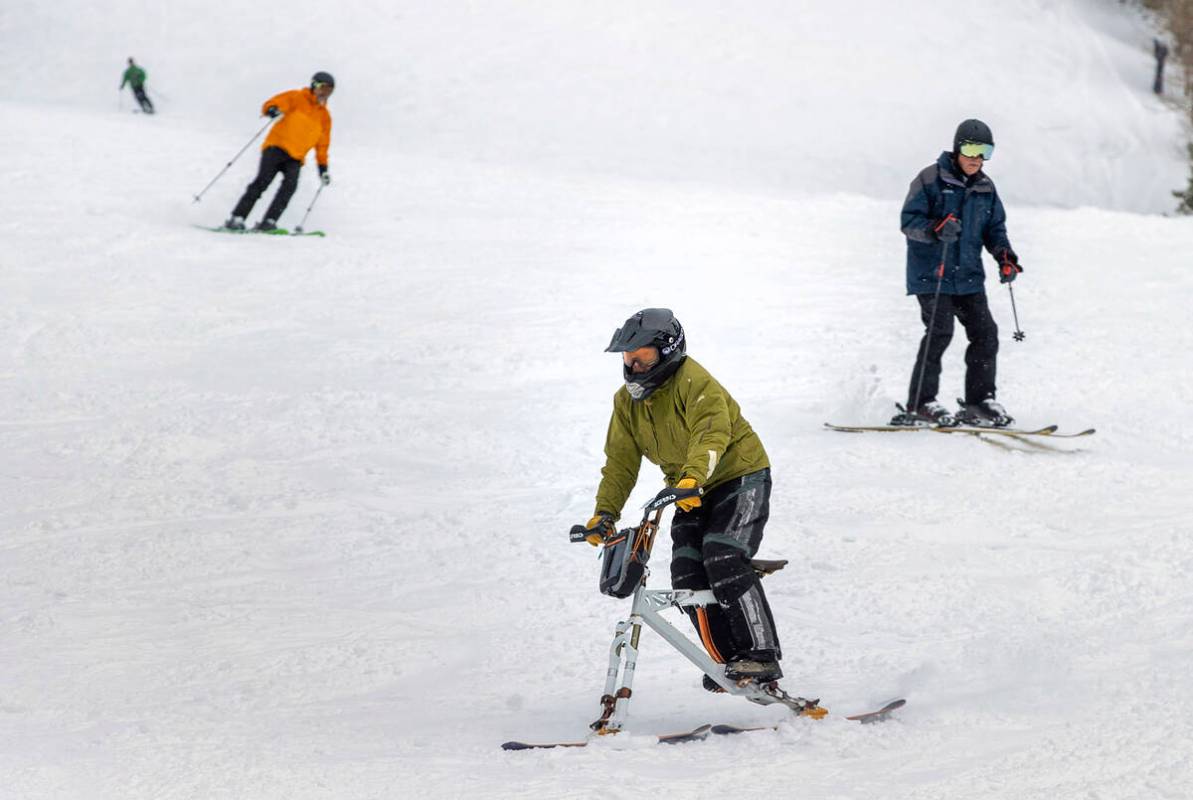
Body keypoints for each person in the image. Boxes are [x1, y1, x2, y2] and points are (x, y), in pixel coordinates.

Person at [577, 308, 784, 689]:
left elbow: (711, 434)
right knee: (686, 572)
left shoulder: (695, 382)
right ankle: (726, 662)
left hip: (738, 476)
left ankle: (760, 656)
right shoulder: (626, 403)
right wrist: (604, 514)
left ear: (667, 350)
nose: (634, 365)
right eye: (628, 358)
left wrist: (693, 477)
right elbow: (620, 463)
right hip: (689, 488)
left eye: (642, 356)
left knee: (722, 553)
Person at [893, 119, 1023, 428]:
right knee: (940, 332)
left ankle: (979, 401)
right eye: (970, 149)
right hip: (932, 275)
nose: (976, 158)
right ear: (957, 148)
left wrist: (1005, 257)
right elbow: (909, 222)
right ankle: (922, 403)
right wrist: (935, 230)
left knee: (985, 334)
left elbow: (995, 230)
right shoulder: (929, 179)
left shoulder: (986, 188)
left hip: (968, 277)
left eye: (984, 151)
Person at [224, 72, 335, 232]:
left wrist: (323, 168)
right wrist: (272, 109)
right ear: (314, 86)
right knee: (262, 182)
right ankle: (237, 218)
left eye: (329, 91)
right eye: (322, 88)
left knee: (289, 188)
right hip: (276, 147)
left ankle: (269, 222)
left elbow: (323, 145)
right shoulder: (297, 97)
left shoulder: (324, 117)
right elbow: (275, 102)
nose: (325, 94)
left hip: (296, 157)